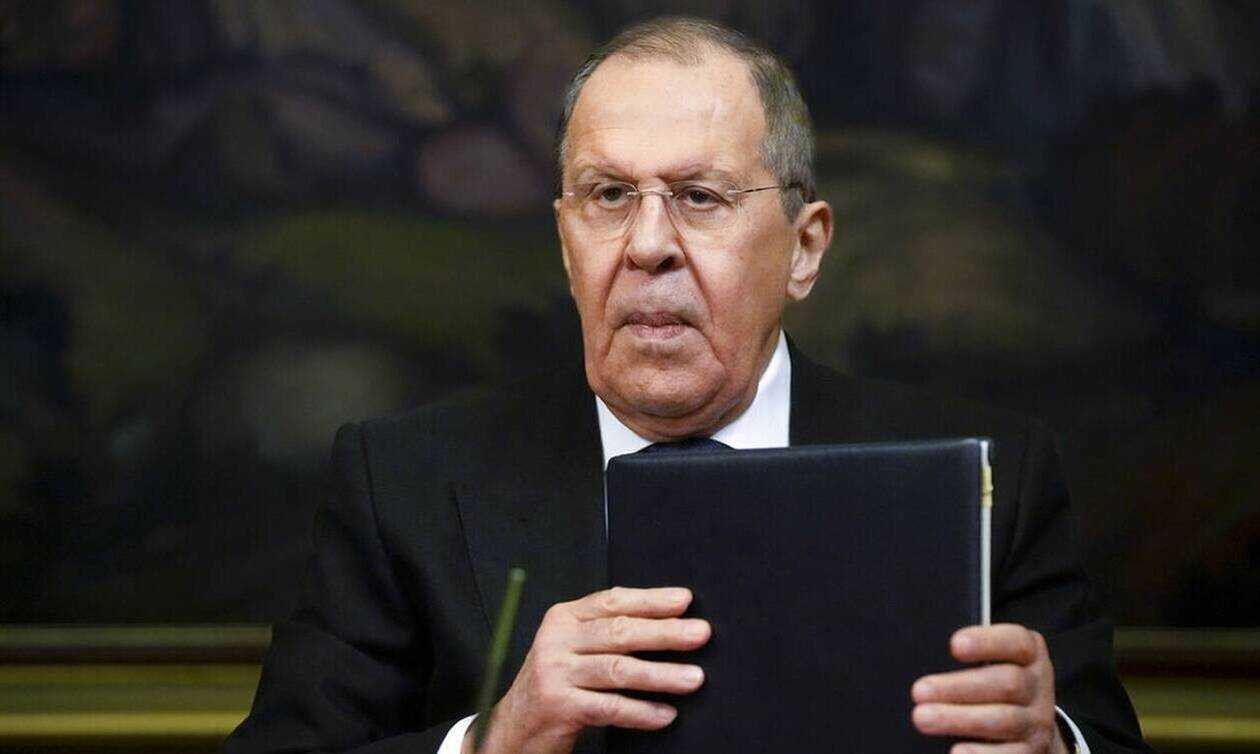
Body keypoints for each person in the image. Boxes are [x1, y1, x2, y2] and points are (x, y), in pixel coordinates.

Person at [225, 16, 1149, 754]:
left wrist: (1052, 745)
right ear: (565, 243)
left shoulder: (992, 478)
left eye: (700, 197)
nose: (648, 246)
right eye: (608, 196)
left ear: (805, 249)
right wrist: (494, 741)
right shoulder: (405, 484)